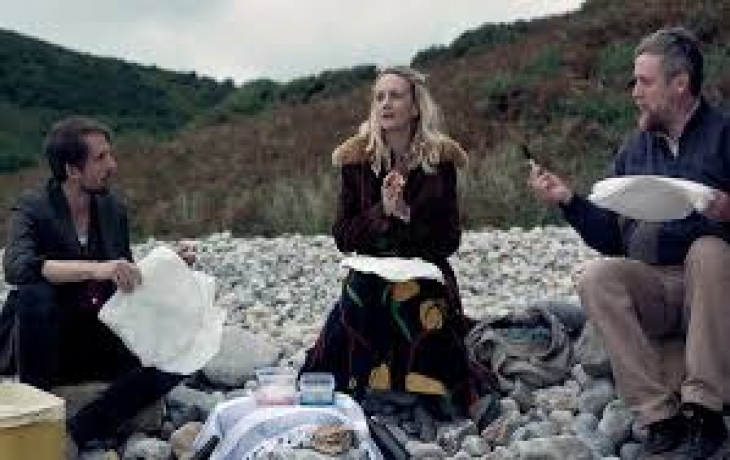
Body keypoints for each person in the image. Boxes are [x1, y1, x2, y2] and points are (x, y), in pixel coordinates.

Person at [528, 27, 730, 458]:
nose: (635, 93)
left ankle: (705, 412)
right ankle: (659, 418)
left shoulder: (724, 135)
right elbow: (610, 237)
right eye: (634, 81)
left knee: (709, 251)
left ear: (680, 84)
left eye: (645, 82)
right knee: (596, 276)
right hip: (657, 287)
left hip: (714, 289)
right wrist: (567, 200)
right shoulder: (635, 148)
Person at [0, 116, 194, 454]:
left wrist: (166, 263)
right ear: (72, 170)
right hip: (49, 343)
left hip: (100, 331)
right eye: (101, 158)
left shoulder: (112, 208)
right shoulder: (32, 208)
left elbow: (126, 279)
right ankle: (38, 407)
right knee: (33, 292)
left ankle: (79, 430)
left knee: (185, 351)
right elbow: (17, 267)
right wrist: (96, 269)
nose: (112, 165)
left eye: (110, 155)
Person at [302, 66, 474, 415]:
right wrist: (382, 211)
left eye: (395, 95)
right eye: (379, 97)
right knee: (360, 291)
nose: (385, 103)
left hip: (425, 268)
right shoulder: (356, 160)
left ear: (415, 106)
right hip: (371, 267)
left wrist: (407, 215)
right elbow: (343, 235)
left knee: (412, 295)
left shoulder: (439, 160)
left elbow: (449, 239)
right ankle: (354, 384)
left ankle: (430, 390)